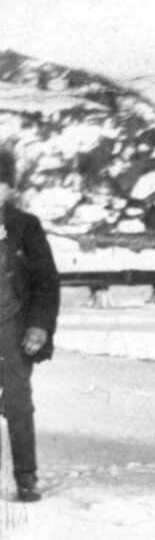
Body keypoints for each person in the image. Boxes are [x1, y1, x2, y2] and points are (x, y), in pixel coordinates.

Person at [0, 148, 60, 502]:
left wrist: (39, 325)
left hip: (10, 327)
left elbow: (46, 281)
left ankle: (26, 477)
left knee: (17, 403)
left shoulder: (25, 226)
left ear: (8, 190)